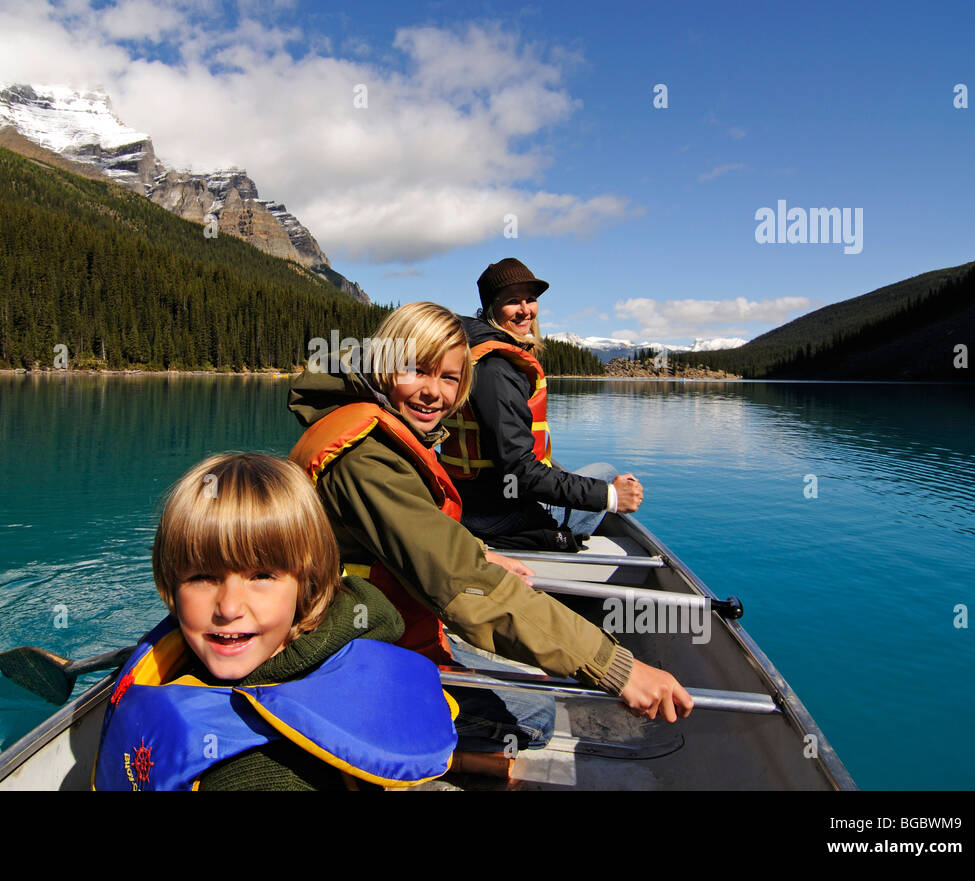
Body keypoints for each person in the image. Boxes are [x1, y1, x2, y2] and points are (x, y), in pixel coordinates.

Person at [288, 302, 691, 757]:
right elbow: (464, 587)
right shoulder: (365, 460)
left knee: (528, 681)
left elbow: (421, 529)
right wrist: (616, 667)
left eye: (448, 378)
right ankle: (402, 753)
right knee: (536, 716)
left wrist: (480, 549)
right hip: (347, 652)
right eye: (416, 371)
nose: (433, 393)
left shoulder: (370, 426)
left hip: (379, 628)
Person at [92, 453, 457, 791]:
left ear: (307, 582)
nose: (229, 607)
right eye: (202, 577)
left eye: (261, 576)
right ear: (171, 583)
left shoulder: (264, 774)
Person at [443, 257, 644, 549]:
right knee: (607, 475)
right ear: (491, 308)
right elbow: (519, 471)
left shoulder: (478, 352)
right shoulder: (495, 369)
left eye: (531, 299)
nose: (526, 310)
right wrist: (609, 496)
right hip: (497, 517)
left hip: (474, 501)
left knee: (596, 473)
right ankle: (559, 544)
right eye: (513, 301)